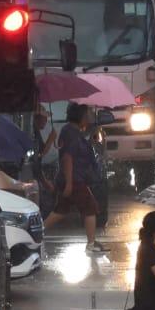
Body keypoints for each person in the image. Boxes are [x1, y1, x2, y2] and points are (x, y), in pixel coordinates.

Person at [43, 103, 102, 250]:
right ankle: (91, 243)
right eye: (87, 114)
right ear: (80, 116)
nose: (89, 118)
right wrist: (69, 183)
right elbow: (67, 158)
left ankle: (38, 233)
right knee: (90, 208)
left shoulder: (73, 131)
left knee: (60, 210)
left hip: (72, 179)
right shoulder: (70, 133)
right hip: (74, 180)